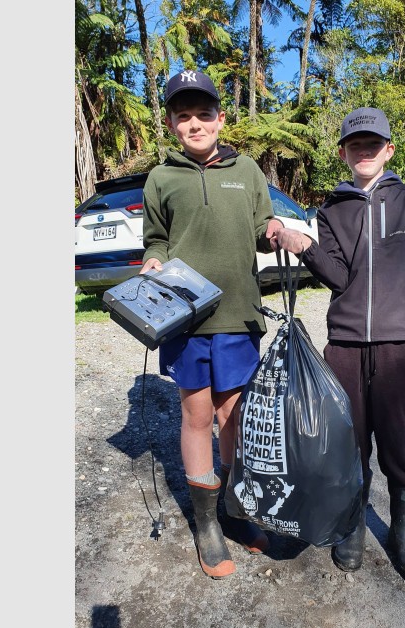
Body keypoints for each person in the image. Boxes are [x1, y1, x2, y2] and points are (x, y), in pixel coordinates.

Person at [274, 107, 405, 581]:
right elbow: (338, 276)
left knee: (399, 443)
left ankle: (404, 531)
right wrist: (304, 245)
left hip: (399, 347)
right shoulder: (331, 209)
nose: (365, 151)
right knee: (350, 442)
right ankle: (352, 523)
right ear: (343, 153)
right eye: (356, 145)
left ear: (389, 149)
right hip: (346, 346)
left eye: (373, 144)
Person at [139, 69, 284, 579]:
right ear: (173, 123)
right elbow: (156, 238)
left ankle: (233, 508)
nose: (195, 123)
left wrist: (273, 231)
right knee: (198, 415)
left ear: (222, 119)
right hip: (183, 318)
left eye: (204, 114)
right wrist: (153, 260)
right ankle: (206, 524)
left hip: (239, 314)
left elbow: (261, 228)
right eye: (184, 116)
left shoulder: (247, 172)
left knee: (235, 418)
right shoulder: (162, 176)